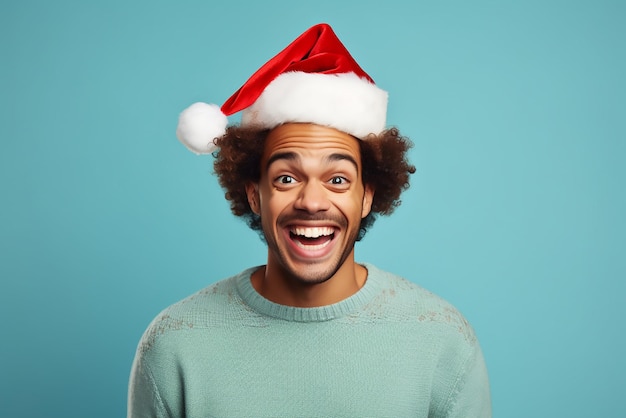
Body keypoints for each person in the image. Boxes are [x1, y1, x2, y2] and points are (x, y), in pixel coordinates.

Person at [128, 23, 491, 417]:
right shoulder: (174, 345)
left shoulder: (441, 340)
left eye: (338, 179)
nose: (312, 201)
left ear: (367, 195)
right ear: (254, 193)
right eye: (286, 177)